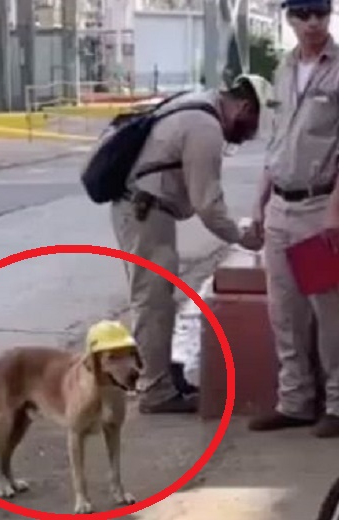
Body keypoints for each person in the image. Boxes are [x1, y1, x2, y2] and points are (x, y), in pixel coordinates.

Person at [247, 0, 339, 438]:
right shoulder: (283, 70)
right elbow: (276, 144)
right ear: (289, 18)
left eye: (320, 13)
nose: (313, 23)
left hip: (323, 207)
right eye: (303, 15)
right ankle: (295, 401)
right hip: (281, 206)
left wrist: (338, 207)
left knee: (329, 311)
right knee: (285, 311)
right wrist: (259, 203)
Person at [109, 74, 272, 414]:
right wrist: (245, 238)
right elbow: (208, 206)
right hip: (145, 213)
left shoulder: (196, 103)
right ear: (244, 107)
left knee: (159, 299)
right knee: (152, 301)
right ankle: (155, 391)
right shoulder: (205, 128)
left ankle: (161, 374)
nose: (247, 134)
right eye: (251, 124)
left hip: (146, 210)